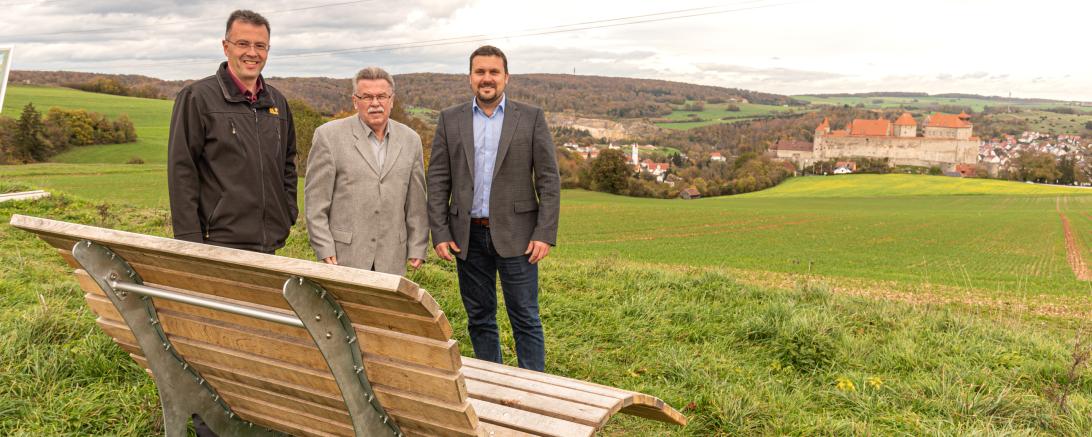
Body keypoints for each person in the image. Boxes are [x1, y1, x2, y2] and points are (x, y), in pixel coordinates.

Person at [427, 45, 560, 372]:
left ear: (506, 77)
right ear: (470, 77)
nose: (487, 79)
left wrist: (544, 233)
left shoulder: (530, 118)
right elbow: (438, 178)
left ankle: (533, 387)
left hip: (519, 236)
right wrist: (440, 232)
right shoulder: (449, 119)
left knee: (525, 316)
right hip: (466, 236)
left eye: (493, 72)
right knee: (479, 317)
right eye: (480, 72)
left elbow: (548, 179)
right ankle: (493, 383)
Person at [168, 9, 297, 255]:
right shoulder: (197, 98)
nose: (252, 52)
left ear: (268, 50)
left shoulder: (277, 102)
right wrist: (189, 241)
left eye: (260, 45)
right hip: (217, 242)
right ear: (226, 47)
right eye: (243, 43)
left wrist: (287, 212)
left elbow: (288, 164)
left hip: (269, 244)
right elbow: (181, 170)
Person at [304, 67, 427, 275]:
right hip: (343, 256)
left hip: (392, 257)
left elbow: (416, 203)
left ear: (392, 100)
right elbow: (316, 202)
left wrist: (417, 246)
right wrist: (323, 246)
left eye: (381, 96)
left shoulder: (411, 140)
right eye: (367, 97)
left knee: (386, 309)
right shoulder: (329, 136)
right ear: (355, 101)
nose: (375, 103)